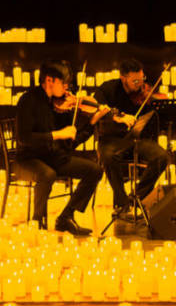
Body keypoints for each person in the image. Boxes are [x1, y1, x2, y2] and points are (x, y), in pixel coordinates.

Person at [14, 60, 107, 236]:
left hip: (53, 157)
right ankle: (37, 222)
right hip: (28, 159)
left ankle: (65, 217)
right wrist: (58, 134)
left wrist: (91, 123)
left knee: (94, 170)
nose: (66, 89)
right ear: (50, 80)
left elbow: (69, 144)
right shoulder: (28, 100)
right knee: (47, 174)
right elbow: (23, 138)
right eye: (63, 84)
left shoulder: (56, 104)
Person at [93, 59, 170, 220]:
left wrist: (158, 105)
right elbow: (96, 107)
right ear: (123, 78)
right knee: (108, 156)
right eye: (135, 81)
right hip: (111, 139)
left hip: (137, 139)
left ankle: (134, 198)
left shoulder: (144, 93)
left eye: (142, 79)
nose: (140, 84)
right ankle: (121, 204)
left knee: (162, 157)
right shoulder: (108, 88)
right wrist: (117, 116)